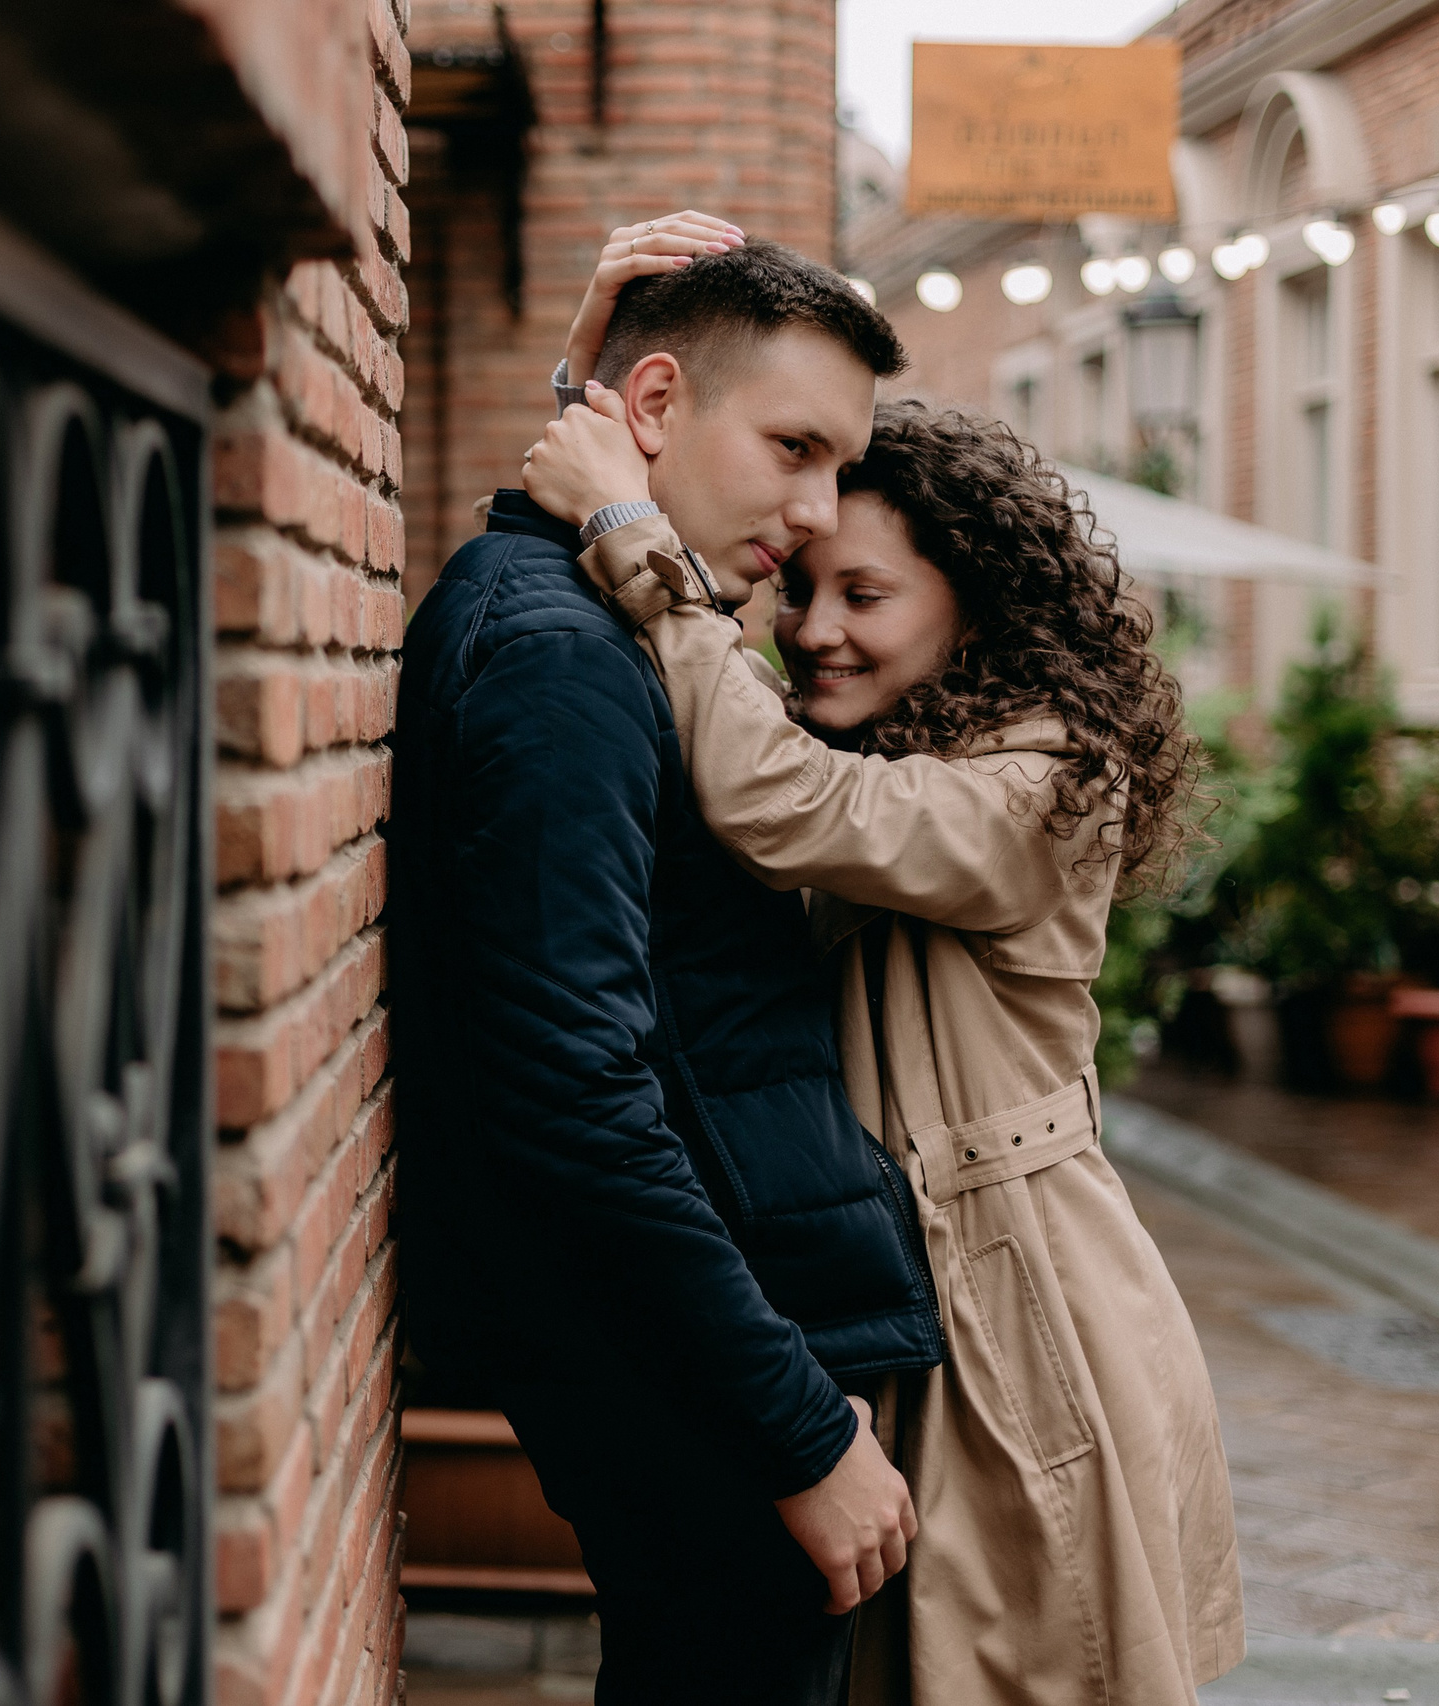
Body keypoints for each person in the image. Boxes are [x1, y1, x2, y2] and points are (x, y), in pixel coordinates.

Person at [521, 300, 1245, 1702]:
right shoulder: (897, 745)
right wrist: (594, 394)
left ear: (973, 600)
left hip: (1021, 1313)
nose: (812, 631)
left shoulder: (1040, 784)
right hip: (913, 1289)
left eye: (867, 596)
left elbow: (775, 801)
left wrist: (636, 541)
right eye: (803, 590)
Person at [388, 231, 942, 1706]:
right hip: (697, 1376)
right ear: (648, 406)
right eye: (794, 447)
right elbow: (574, 1094)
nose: (817, 513)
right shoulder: (562, 654)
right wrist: (798, 1430)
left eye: (840, 464)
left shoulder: (557, 607)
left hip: (691, 1349)